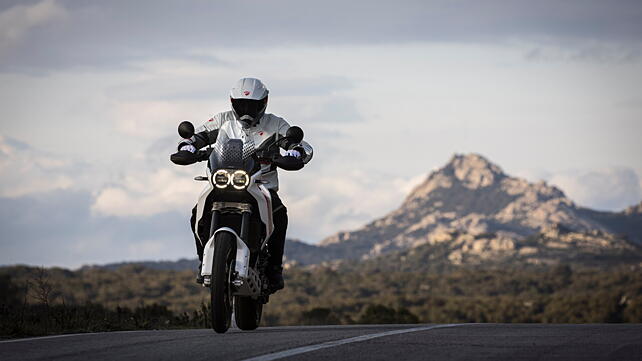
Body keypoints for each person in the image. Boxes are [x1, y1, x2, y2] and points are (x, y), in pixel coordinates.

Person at [176, 77, 313, 292]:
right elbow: (197, 137)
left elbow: (296, 143)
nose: (247, 110)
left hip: (260, 184)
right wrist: (188, 147)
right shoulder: (222, 120)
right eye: (242, 105)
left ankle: (275, 268)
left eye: (253, 105)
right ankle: (204, 260)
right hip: (221, 181)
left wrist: (295, 152)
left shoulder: (275, 124)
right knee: (197, 213)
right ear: (233, 102)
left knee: (279, 213)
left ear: (264, 103)